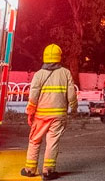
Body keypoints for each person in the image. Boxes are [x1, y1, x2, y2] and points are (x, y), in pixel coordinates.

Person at [21, 44, 78, 179]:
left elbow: (33, 97)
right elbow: (71, 95)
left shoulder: (39, 75)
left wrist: (30, 112)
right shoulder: (66, 73)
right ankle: (48, 171)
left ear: (45, 57)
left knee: (34, 141)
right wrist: (74, 108)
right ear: (59, 57)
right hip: (58, 116)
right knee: (52, 142)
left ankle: (30, 169)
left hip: (40, 115)